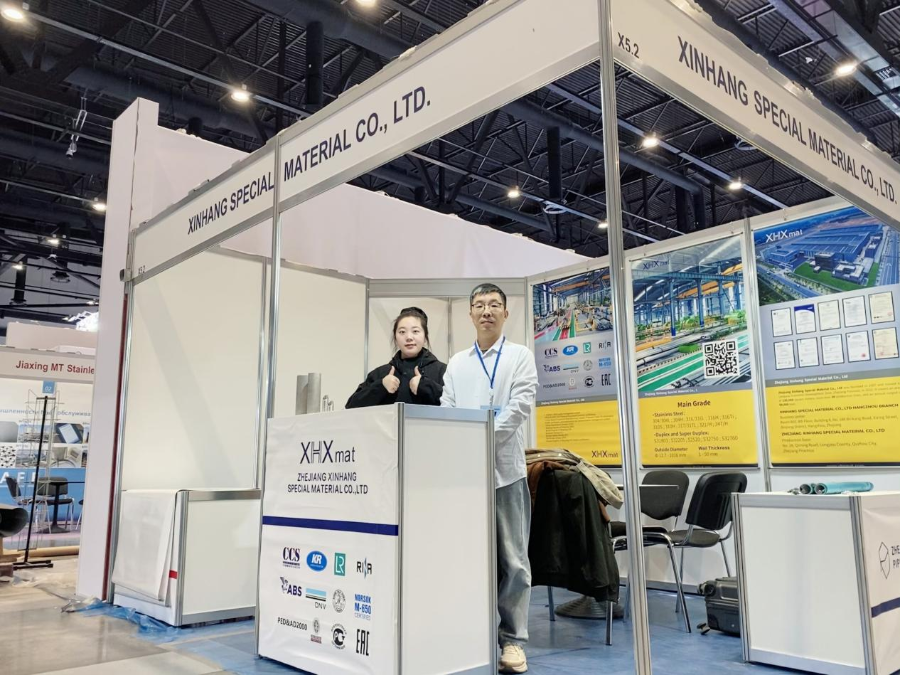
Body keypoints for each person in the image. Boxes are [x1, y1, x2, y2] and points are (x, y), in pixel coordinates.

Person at [440, 284, 538, 674]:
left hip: (505, 473)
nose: (487, 311)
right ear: (470, 314)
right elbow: (447, 407)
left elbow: (520, 405)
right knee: (465, 557)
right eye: (479, 305)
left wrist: (481, 439)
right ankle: (468, 634)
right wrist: (464, 445)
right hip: (464, 476)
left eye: (494, 305)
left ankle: (513, 641)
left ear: (505, 313)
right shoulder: (457, 363)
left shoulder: (520, 356)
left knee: (513, 561)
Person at [346, 307, 446, 408]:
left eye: (415, 331)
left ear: (425, 336)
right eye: (402, 332)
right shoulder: (381, 373)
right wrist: (380, 386)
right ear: (395, 337)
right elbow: (351, 407)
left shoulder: (442, 371)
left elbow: (453, 405)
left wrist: (427, 387)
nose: (409, 337)